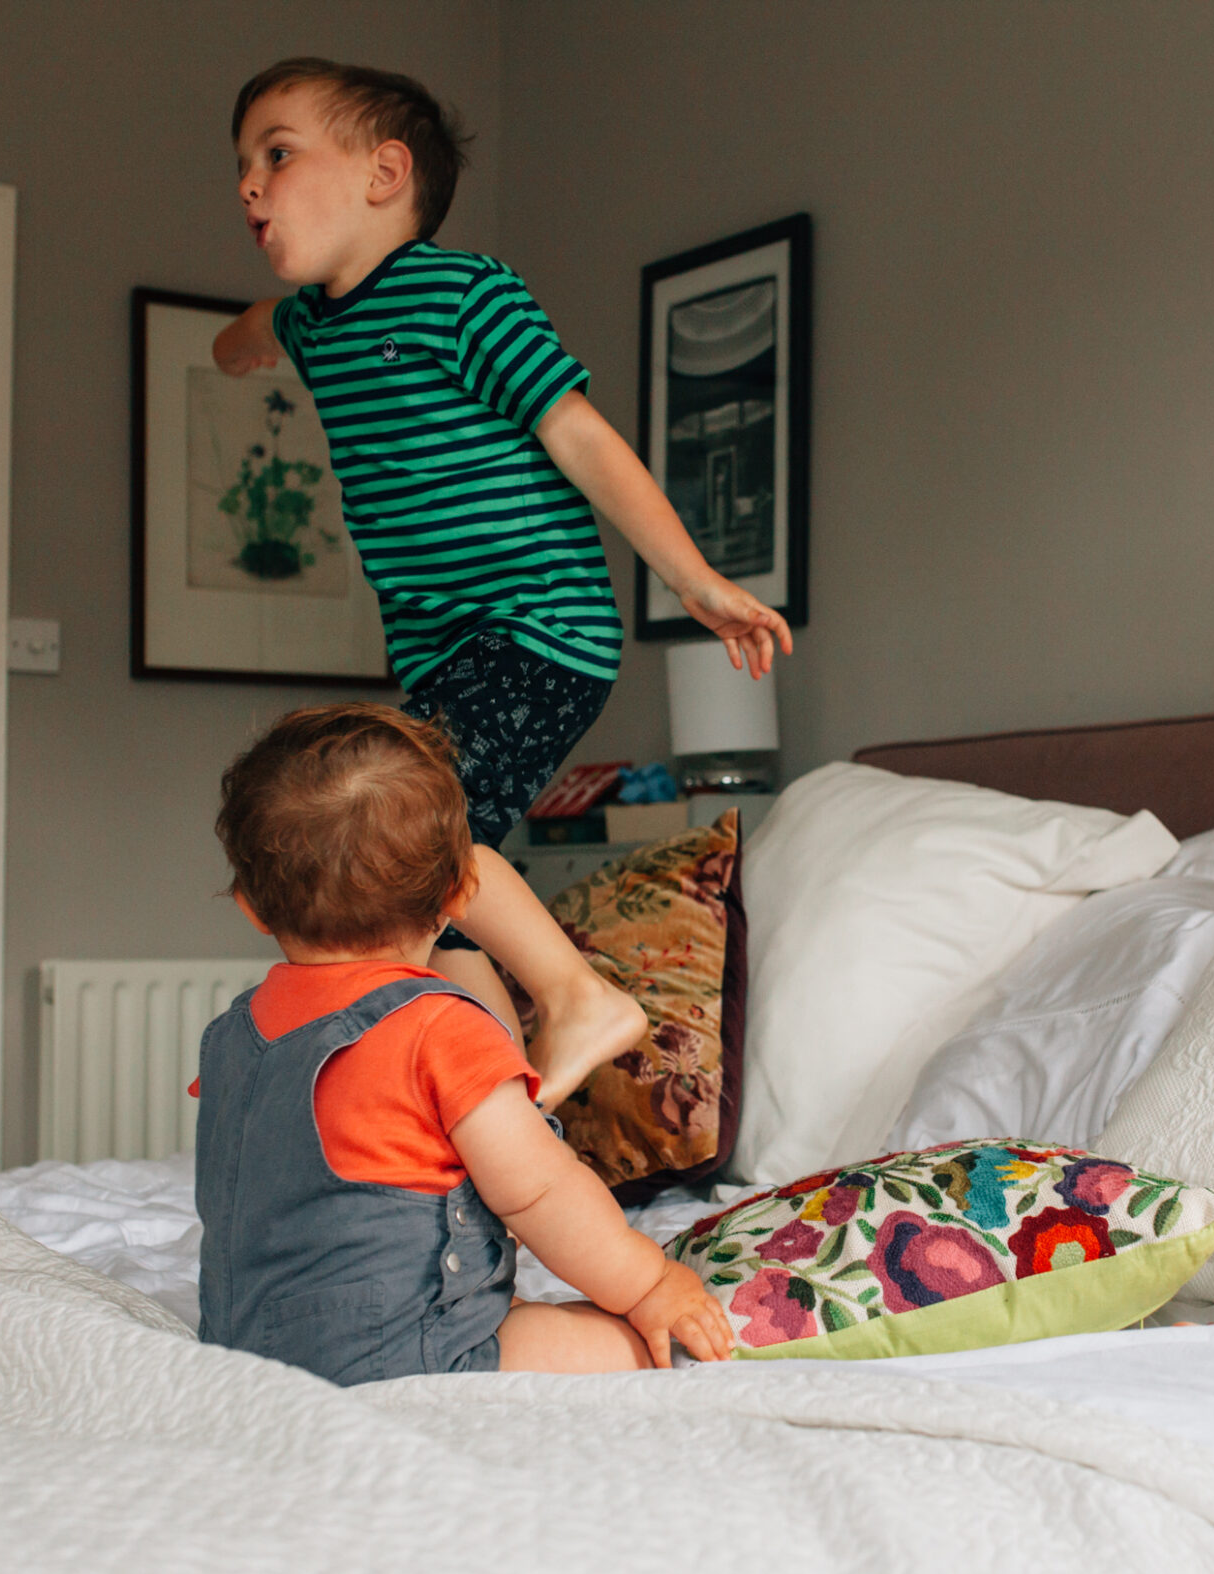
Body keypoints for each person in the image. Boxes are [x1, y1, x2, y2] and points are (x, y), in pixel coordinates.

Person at [212, 56, 794, 1108]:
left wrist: (697, 581)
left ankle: (580, 996)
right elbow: (250, 330)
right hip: (442, 654)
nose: (249, 184)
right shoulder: (312, 323)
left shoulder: (465, 296)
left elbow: (581, 438)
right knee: (421, 895)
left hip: (537, 626)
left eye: (278, 154)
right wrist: (238, 343)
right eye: (242, 164)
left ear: (385, 173)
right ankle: (496, 1108)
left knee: (425, 835)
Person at [196, 702, 735, 1380]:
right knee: (624, 1343)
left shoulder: (232, 1035)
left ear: (250, 906)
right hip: (402, 1356)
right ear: (458, 896)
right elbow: (542, 1194)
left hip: (241, 1347)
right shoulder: (440, 1028)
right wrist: (651, 1284)